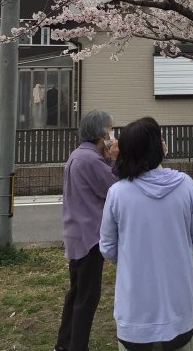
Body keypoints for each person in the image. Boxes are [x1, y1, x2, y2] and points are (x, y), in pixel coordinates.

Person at [100, 116, 193, 351]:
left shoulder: (117, 193)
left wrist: (130, 254)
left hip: (134, 311)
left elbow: (107, 247)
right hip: (179, 308)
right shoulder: (186, 185)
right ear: (159, 147)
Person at [54, 109, 119, 351]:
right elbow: (112, 188)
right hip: (89, 236)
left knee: (77, 293)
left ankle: (64, 344)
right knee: (87, 297)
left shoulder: (79, 155)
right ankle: (77, 346)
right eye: (111, 130)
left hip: (76, 234)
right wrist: (115, 159)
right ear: (101, 134)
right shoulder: (91, 160)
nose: (113, 135)